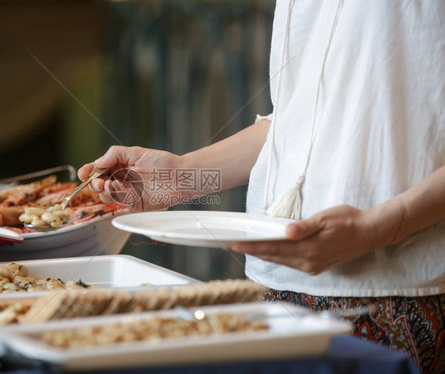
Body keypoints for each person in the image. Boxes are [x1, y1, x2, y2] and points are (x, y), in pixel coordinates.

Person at [78, 1, 445, 372]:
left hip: (397, 295)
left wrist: (381, 226)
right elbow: (296, 121)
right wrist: (183, 175)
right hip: (273, 286)